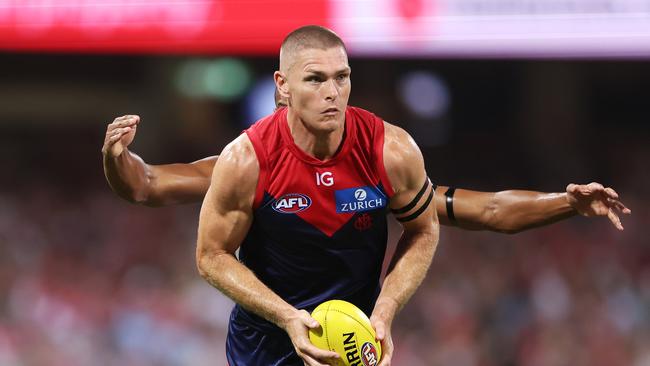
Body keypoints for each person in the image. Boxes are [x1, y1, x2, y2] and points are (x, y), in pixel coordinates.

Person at [102, 117, 630, 233]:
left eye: (340, 80)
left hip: (355, 343)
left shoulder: (380, 169)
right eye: (315, 80)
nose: (330, 94)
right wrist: (116, 156)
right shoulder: (246, 166)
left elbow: (487, 209)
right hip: (269, 346)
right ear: (285, 91)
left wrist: (567, 202)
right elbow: (146, 184)